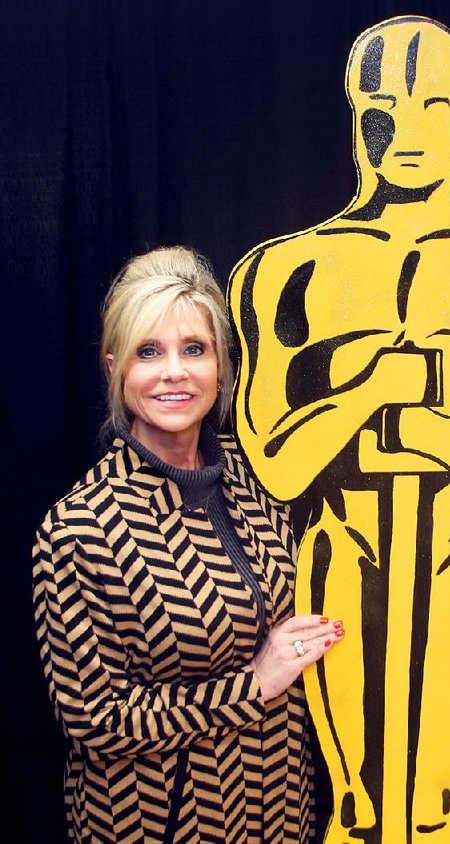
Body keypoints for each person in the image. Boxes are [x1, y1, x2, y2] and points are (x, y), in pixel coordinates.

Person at [228, 15, 450, 840]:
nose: (407, 129)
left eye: (432, 103)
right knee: (355, 803)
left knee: (436, 805)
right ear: (354, 110)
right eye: (384, 105)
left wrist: (385, 399)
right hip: (343, 546)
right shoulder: (287, 267)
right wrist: (429, 383)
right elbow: (277, 459)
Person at [32, 246, 345, 843]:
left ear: (222, 369)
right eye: (149, 351)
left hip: (279, 806)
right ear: (115, 369)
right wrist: (255, 683)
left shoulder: (255, 486)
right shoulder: (78, 529)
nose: (173, 371)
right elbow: (96, 722)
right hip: (163, 819)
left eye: (193, 349)